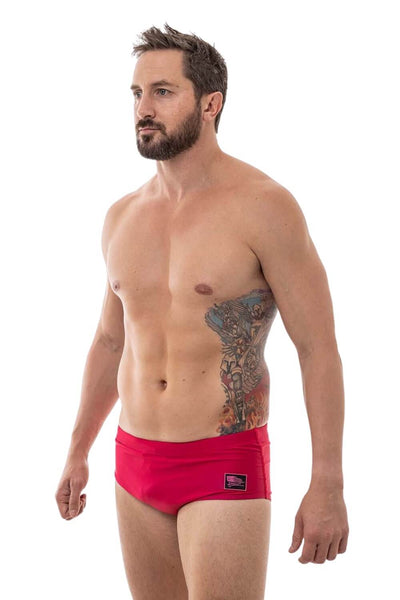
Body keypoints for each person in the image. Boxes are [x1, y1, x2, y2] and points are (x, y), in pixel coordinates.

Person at [55, 23, 349, 600]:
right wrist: (77, 449)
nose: (143, 109)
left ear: (211, 104)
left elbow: (318, 349)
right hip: (135, 458)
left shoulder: (265, 207)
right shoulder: (122, 216)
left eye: (163, 92)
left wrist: (328, 482)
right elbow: (111, 342)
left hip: (221, 458)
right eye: (137, 93)